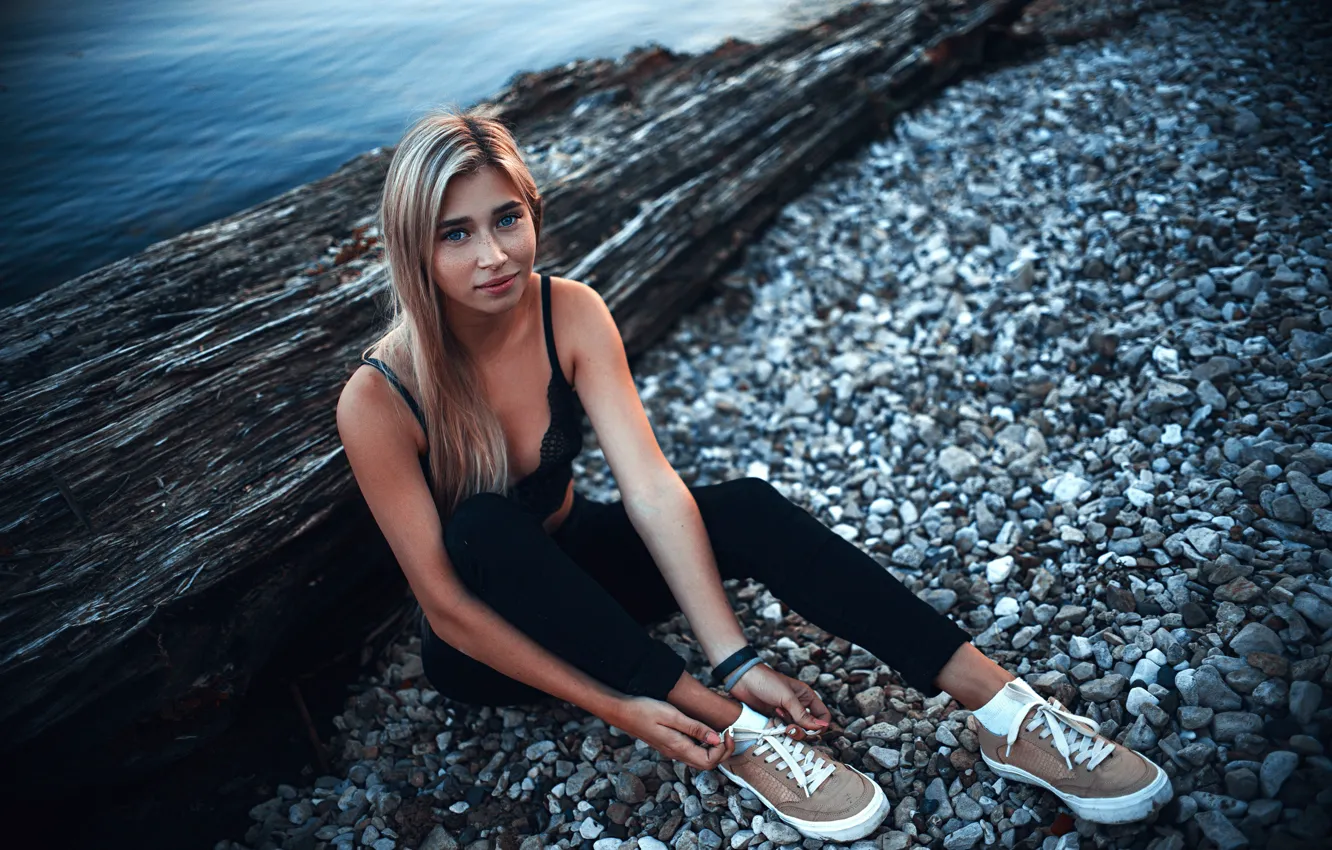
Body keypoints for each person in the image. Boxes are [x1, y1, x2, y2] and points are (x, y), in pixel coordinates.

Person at [335, 107, 1173, 838]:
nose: (493, 255)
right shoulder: (379, 397)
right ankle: (733, 733)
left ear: (532, 215)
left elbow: (654, 488)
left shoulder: (570, 311)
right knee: (484, 528)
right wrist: (628, 708)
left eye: (505, 219)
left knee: (738, 505)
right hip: (488, 644)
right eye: (457, 233)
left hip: (577, 566)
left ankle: (1000, 707)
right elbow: (447, 610)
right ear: (415, 247)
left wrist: (731, 652)